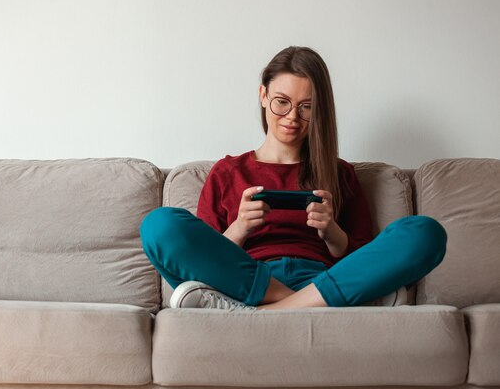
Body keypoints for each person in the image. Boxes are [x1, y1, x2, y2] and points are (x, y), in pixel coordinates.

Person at [139, 46, 447, 310]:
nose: (292, 118)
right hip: (246, 282)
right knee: (159, 224)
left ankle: (269, 311)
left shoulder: (339, 174)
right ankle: (310, 306)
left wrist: (332, 233)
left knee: (425, 232)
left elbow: (364, 258)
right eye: (282, 102)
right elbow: (204, 256)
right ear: (263, 95)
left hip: (321, 281)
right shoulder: (227, 172)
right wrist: (240, 228)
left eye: (306, 107)